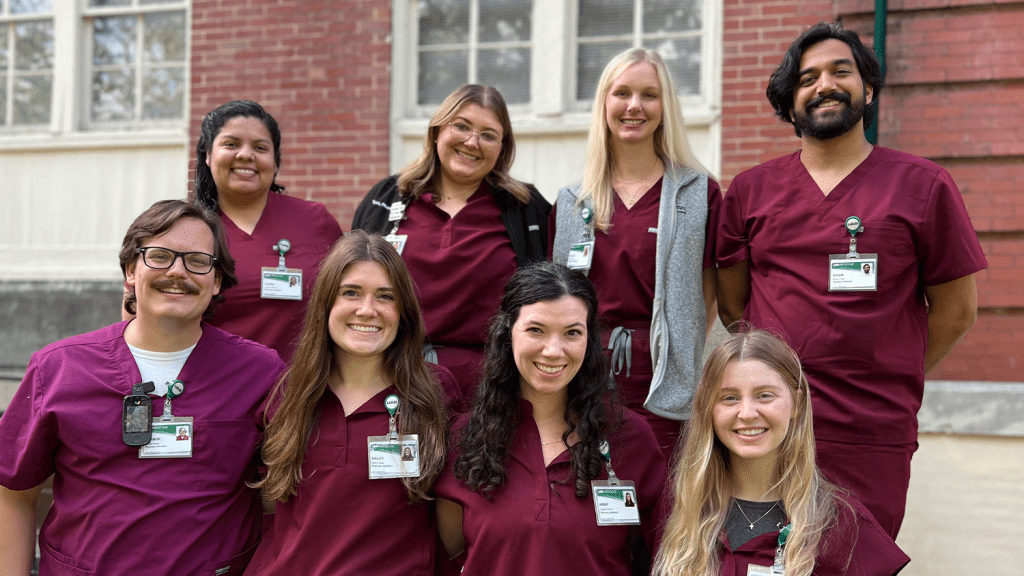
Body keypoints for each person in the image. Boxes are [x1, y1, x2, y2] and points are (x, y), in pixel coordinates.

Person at [715, 22, 988, 538]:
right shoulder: (750, 191)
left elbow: (957, 311)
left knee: (856, 561)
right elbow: (736, 309)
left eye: (841, 71)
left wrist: (888, 367)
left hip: (871, 430)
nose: (824, 85)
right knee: (759, 562)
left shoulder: (923, 185)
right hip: (769, 428)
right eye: (807, 78)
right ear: (788, 100)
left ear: (868, 88)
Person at [0, 200, 285, 575]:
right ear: (130, 271)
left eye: (198, 261)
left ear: (217, 281)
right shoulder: (57, 368)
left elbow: (290, 492)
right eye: (160, 256)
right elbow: (12, 491)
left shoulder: (260, 374)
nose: (177, 271)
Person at [243, 230, 460, 576]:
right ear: (326, 303)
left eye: (385, 296)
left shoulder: (435, 391)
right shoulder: (290, 391)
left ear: (403, 311)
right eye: (351, 293)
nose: (367, 310)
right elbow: (269, 502)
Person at [435, 262, 666, 576]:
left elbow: (655, 553)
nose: (554, 351)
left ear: (590, 340)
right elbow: (455, 552)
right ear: (508, 334)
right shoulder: (463, 440)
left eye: (572, 333)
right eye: (536, 330)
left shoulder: (631, 437)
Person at [551, 48, 720, 456]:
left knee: (661, 503)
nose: (634, 106)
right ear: (604, 104)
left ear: (665, 108)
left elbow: (710, 293)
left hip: (663, 377)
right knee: (591, 500)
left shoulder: (698, 194)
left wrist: (675, 341)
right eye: (621, 93)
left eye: (649, 94)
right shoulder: (573, 202)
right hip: (585, 376)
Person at [352, 85, 550, 404]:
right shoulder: (385, 198)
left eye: (488, 134)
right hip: (391, 376)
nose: (472, 141)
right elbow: (350, 287)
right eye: (461, 126)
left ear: (502, 147)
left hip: (490, 386)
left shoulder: (527, 208)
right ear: (436, 130)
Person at [653, 330, 909, 576]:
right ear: (708, 408)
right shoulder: (681, 507)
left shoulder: (842, 525)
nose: (747, 413)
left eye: (764, 395)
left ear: (797, 403)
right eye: (729, 398)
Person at [192, 100, 344, 363]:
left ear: (275, 163)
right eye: (231, 144)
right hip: (213, 389)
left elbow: (347, 299)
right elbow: (144, 315)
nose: (246, 155)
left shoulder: (315, 221)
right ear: (207, 155)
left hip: (302, 390)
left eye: (260, 148)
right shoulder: (186, 230)